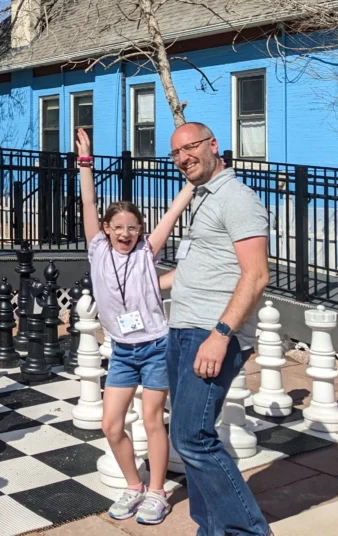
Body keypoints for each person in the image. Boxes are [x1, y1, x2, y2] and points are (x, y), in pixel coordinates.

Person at [76, 128, 194, 525]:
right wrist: (86, 162)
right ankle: (134, 485)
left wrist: (194, 180)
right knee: (111, 425)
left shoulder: (147, 251)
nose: (126, 233)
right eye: (118, 227)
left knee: (150, 421)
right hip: (122, 350)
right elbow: (89, 201)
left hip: (155, 346)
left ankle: (157, 492)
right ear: (107, 229)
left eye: (133, 228)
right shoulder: (96, 248)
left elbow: (174, 212)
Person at [161, 121, 273, 536]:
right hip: (185, 329)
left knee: (194, 439)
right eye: (175, 153)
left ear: (213, 145)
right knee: (188, 440)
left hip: (209, 333)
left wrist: (220, 335)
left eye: (190, 148)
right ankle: (211, 530)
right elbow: (197, 266)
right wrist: (146, 287)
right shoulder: (205, 199)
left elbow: (256, 274)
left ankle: (248, 532)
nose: (183, 158)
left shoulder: (238, 198)